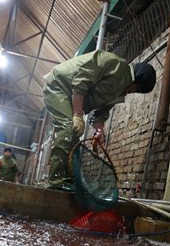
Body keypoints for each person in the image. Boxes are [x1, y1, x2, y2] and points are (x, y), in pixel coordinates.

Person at [43, 50, 156, 190]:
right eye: (136, 87)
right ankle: (57, 181)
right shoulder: (113, 63)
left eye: (137, 91)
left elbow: (101, 113)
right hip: (59, 86)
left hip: (71, 97)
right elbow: (81, 81)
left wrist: (99, 129)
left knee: (73, 138)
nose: (133, 91)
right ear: (135, 78)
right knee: (68, 130)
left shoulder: (119, 92)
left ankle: (68, 180)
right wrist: (78, 115)